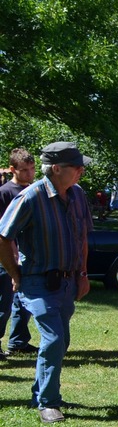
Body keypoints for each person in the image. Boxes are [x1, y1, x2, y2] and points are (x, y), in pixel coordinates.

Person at [0, 142, 94, 423]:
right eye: (76, 166)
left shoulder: (77, 194)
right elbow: (3, 237)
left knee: (61, 341)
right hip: (38, 282)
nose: (81, 170)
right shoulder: (30, 197)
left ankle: (39, 393)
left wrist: (83, 274)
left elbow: (82, 237)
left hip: (67, 282)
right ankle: (48, 403)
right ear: (56, 169)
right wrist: (15, 273)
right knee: (54, 339)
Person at [0, 148, 37, 357]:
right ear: (13, 169)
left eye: (32, 169)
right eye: (24, 170)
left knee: (24, 302)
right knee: (3, 303)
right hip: (7, 256)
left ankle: (18, 341)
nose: (29, 174)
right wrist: (12, 257)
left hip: (28, 256)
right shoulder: (5, 192)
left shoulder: (33, 191)